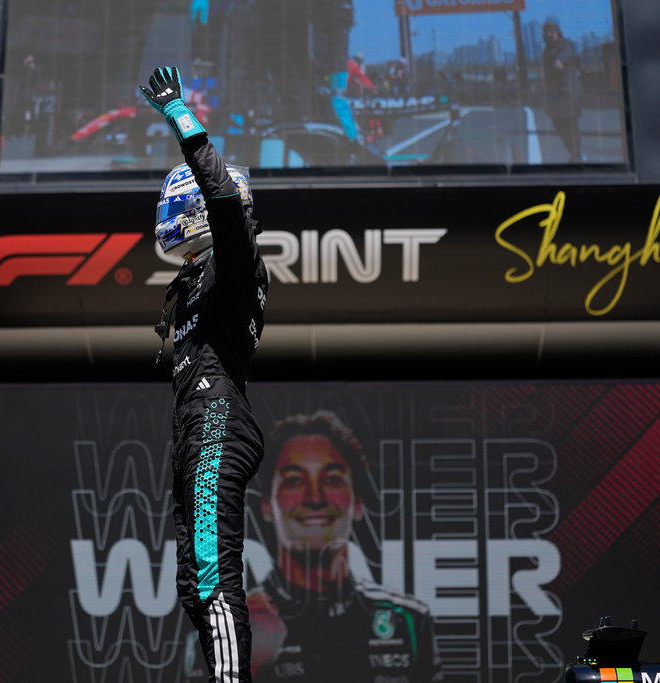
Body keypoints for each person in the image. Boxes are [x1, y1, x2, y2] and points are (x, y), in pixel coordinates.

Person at [140, 65, 268, 683]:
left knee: (215, 579)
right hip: (195, 430)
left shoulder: (236, 265)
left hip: (218, 423)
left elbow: (220, 196)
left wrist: (180, 116)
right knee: (195, 585)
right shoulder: (194, 284)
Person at [248, 411, 443, 682]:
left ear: (358, 504)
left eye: (332, 480)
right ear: (267, 506)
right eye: (294, 480)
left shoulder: (408, 621)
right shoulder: (228, 627)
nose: (315, 497)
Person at [542, 17, 582, 163]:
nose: (549, 34)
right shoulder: (546, 50)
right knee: (558, 124)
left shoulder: (565, 44)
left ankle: (576, 156)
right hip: (555, 93)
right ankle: (573, 153)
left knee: (570, 125)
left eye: (552, 31)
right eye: (547, 32)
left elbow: (566, 53)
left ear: (558, 32)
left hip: (567, 92)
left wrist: (560, 60)